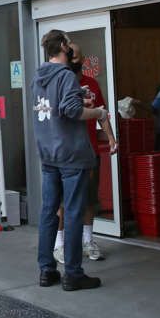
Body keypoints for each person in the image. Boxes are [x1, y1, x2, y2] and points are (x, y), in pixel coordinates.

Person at [31, 29, 111, 291]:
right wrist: (98, 110)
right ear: (64, 46)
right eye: (69, 43)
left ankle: (47, 270)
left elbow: (55, 108)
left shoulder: (39, 77)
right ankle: (74, 273)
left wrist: (79, 96)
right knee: (74, 211)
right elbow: (71, 111)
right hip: (70, 154)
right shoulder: (65, 75)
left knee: (48, 212)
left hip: (48, 152)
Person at [54, 42, 117, 264]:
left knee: (89, 197)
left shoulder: (90, 83)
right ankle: (59, 244)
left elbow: (102, 113)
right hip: (67, 152)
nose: (76, 60)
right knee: (63, 200)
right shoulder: (59, 83)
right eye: (72, 56)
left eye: (78, 56)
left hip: (88, 149)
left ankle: (88, 240)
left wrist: (110, 137)